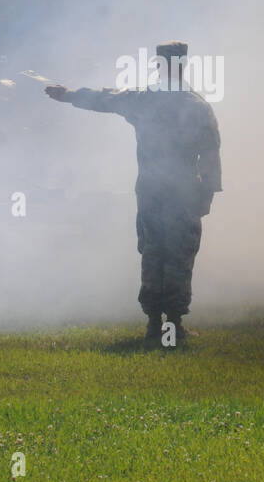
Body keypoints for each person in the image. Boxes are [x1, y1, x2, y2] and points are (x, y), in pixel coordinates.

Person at [45, 42, 221, 342]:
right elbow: (210, 154)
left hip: (152, 191)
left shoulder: (144, 100)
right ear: (182, 67)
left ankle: (155, 323)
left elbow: (106, 98)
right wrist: (206, 195)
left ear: (159, 67)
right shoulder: (197, 105)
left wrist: (69, 95)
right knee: (178, 254)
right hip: (182, 193)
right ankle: (172, 324)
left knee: (154, 251)